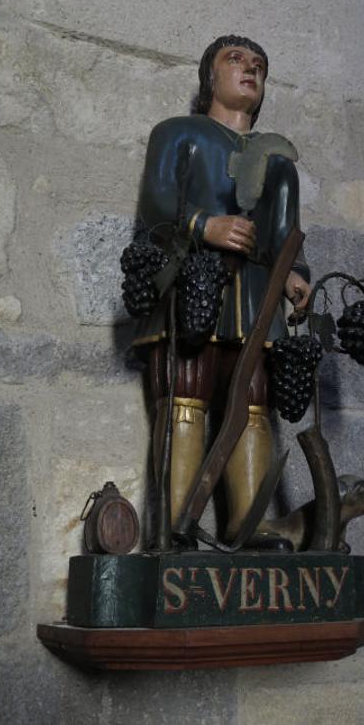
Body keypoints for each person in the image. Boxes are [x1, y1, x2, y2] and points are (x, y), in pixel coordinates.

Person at [131, 35, 311, 545]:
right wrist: (203, 225)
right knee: (185, 387)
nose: (249, 69)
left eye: (259, 65)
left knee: (253, 398)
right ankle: (175, 527)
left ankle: (249, 522)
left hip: (254, 292)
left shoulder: (278, 160)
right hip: (194, 277)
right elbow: (156, 205)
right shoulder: (178, 134)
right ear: (211, 76)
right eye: (235, 60)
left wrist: (296, 274)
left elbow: (282, 235)